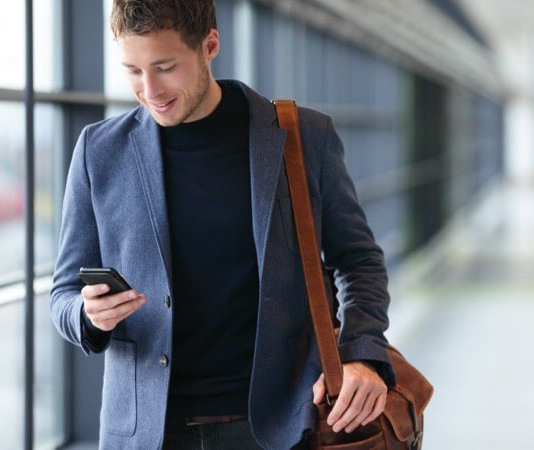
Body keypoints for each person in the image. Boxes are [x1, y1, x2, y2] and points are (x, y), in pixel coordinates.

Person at [49, 0, 394, 448]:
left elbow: (358, 259)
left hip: (279, 426)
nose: (149, 89)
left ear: (209, 45)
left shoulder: (302, 136)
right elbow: (63, 297)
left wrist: (363, 353)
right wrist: (89, 315)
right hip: (148, 432)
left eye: (165, 67)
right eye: (133, 70)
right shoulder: (100, 151)